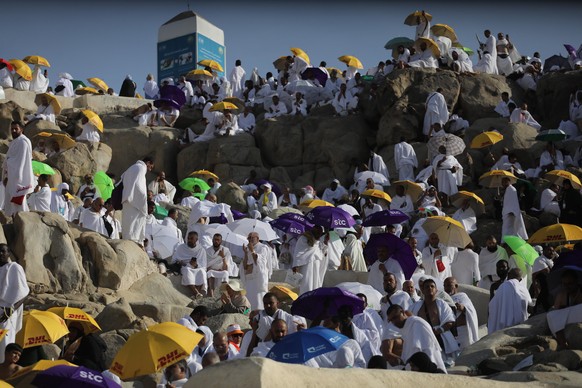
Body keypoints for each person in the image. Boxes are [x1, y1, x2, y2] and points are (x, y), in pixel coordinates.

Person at [386, 304, 446, 373]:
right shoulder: (407, 327)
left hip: (427, 365)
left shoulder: (416, 324)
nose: (394, 322)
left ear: (402, 312)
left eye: (395, 317)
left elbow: (419, 351)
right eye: (391, 320)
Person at [411, 278, 459, 361]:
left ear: (436, 290)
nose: (429, 288)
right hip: (423, 340)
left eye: (432, 286)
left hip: (441, 339)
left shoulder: (442, 304)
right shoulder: (416, 306)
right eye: (427, 287)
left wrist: (440, 330)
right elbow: (410, 320)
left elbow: (451, 321)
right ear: (422, 290)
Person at [0, 244, 28, 363]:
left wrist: (11, 310)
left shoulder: (14, 267)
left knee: (5, 343)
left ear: (8, 252)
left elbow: (25, 293)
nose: (0, 254)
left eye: (3, 251)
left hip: (7, 312)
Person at [2, 121, 34, 216]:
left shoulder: (23, 142)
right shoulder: (15, 142)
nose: (14, 131)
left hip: (19, 178)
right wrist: (7, 175)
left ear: (22, 129)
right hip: (12, 177)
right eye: (12, 129)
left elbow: (21, 161)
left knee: (19, 202)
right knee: (11, 202)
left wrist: (8, 161)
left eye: (16, 128)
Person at [121, 157, 155, 244]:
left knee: (128, 222)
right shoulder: (141, 168)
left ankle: (127, 240)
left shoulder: (131, 168)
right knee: (135, 222)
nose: (150, 170)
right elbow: (139, 186)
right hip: (135, 200)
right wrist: (144, 199)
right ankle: (133, 241)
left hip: (127, 199)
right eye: (150, 167)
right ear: (148, 163)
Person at [488, 268, 531, 333]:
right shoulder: (524, 289)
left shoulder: (503, 286)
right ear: (520, 279)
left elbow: (492, 305)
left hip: (502, 328)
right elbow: (529, 305)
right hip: (520, 326)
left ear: (509, 275)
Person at [546, 269, 582, 348]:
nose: (567, 287)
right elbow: (556, 312)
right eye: (564, 284)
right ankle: (563, 343)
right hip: (568, 321)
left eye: (570, 284)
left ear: (576, 282)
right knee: (551, 315)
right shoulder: (562, 295)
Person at [444, 277, 479, 350]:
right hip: (451, 333)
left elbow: (471, 311)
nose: (446, 288)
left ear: (456, 286)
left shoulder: (462, 296)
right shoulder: (443, 300)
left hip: (463, 332)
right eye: (445, 286)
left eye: (449, 285)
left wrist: (463, 308)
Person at [173, 231, 208, 299]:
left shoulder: (201, 250)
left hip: (197, 268)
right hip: (185, 266)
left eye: (191, 238)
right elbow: (175, 259)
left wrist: (196, 265)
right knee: (186, 270)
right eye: (188, 238)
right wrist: (181, 262)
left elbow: (203, 265)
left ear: (196, 240)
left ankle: (196, 294)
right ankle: (196, 293)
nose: (189, 240)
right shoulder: (181, 247)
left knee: (202, 272)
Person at [240, 232, 269, 310]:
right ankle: (248, 315)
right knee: (248, 300)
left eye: (252, 238)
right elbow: (245, 266)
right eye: (248, 238)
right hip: (249, 278)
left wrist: (252, 250)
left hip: (257, 279)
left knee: (258, 300)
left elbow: (261, 262)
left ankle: (259, 314)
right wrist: (246, 253)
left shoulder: (263, 247)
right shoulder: (248, 248)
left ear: (258, 238)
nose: (249, 240)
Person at [293, 227, 325, 295]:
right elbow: (298, 252)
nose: (319, 234)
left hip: (316, 264)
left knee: (315, 283)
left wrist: (326, 243)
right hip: (306, 265)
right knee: (306, 283)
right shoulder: (303, 238)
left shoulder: (318, 241)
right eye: (318, 232)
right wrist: (295, 265)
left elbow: (322, 254)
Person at [501, 177, 528, 241]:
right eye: (502, 182)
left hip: (511, 214)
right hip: (508, 213)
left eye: (505, 181)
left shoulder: (511, 189)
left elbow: (513, 202)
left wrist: (511, 211)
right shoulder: (507, 189)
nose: (503, 183)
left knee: (511, 230)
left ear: (509, 181)